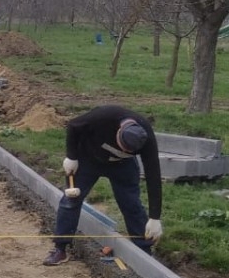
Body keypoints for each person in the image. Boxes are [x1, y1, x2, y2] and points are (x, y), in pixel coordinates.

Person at [43, 104, 163, 265]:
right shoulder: (103, 117)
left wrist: (155, 217)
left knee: (131, 204)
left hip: (122, 166)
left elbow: (153, 174)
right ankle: (60, 249)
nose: (126, 151)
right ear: (119, 133)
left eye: (130, 151)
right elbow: (73, 125)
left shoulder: (146, 137)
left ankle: (144, 252)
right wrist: (71, 156)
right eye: (124, 148)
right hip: (88, 158)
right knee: (71, 201)